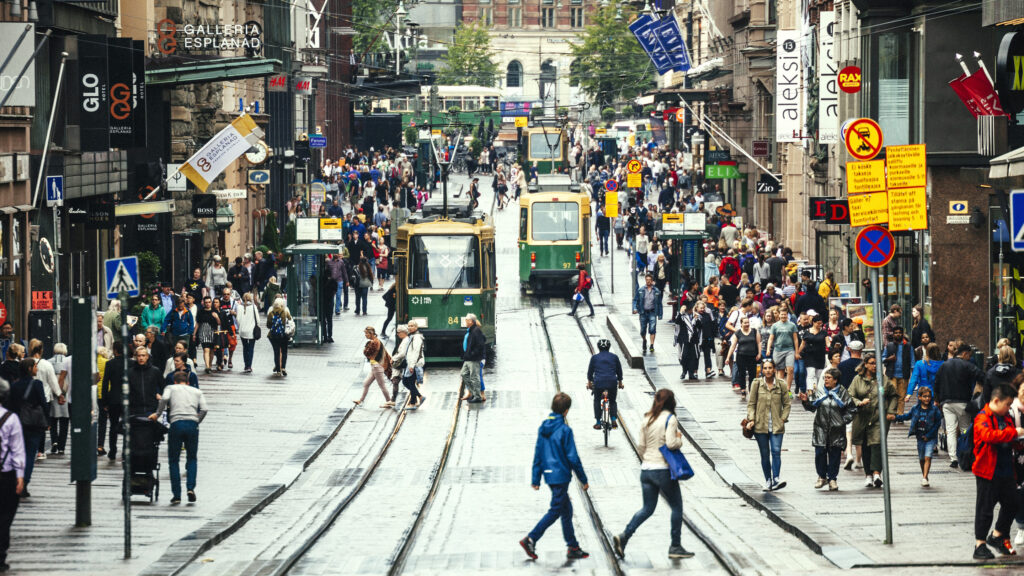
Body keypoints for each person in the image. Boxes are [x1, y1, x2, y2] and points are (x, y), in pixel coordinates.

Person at [612, 388, 693, 560]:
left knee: (647, 508)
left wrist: (647, 459)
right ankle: (675, 546)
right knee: (677, 506)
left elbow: (641, 446)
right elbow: (671, 444)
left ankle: (625, 536)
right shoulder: (670, 419)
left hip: (646, 470)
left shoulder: (647, 418)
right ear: (671, 402)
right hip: (662, 470)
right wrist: (679, 439)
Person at [520, 392, 590, 561]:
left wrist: (536, 478)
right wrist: (583, 479)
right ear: (566, 411)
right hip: (561, 476)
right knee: (555, 511)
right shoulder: (565, 430)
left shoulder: (543, 427)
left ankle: (573, 546)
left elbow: (538, 453)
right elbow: (573, 457)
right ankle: (530, 539)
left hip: (549, 476)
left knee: (566, 510)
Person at [971, 383, 1024, 559]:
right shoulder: (982, 417)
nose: (1009, 408)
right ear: (996, 400)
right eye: (1008, 404)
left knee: (1013, 503)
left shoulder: (1005, 417)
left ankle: (997, 535)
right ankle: (980, 545)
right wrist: (1014, 433)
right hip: (987, 471)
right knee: (985, 508)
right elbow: (988, 436)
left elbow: (1009, 437)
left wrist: (1018, 439)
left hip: (1006, 471)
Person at [149, 371, 208, 505]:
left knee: (174, 460)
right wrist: (196, 421)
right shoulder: (196, 391)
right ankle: (190, 488)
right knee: (192, 457)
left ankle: (176, 494)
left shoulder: (171, 388)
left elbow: (163, 399)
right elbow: (204, 409)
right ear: (187, 382)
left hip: (176, 423)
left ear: (175, 381)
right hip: (192, 424)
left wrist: (157, 414)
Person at [798, 368, 855, 491]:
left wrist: (843, 421)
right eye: (825, 378)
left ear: (835, 380)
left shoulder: (843, 392)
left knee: (835, 454)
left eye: (829, 378)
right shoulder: (819, 391)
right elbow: (812, 407)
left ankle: (833, 478)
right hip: (821, 428)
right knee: (820, 453)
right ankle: (822, 476)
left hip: (836, 430)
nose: (826, 380)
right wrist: (805, 401)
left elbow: (851, 409)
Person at [849, 354, 899, 488]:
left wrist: (890, 411)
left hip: (879, 416)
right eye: (871, 363)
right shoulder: (857, 379)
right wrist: (859, 402)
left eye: (876, 363)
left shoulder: (883, 379)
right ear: (865, 364)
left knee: (877, 443)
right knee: (865, 446)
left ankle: (877, 473)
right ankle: (868, 475)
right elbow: (850, 395)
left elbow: (894, 395)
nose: (874, 366)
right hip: (862, 417)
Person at [934, 343, 986, 469]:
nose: (969, 358)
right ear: (965, 354)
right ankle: (965, 455)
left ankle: (953, 458)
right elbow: (981, 376)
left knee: (950, 430)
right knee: (964, 430)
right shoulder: (967, 365)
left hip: (947, 403)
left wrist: (937, 399)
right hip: (962, 403)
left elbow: (936, 382)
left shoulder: (944, 365)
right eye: (969, 355)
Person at [746, 359, 791, 491]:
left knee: (776, 452)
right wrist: (751, 419)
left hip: (777, 425)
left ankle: (776, 478)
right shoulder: (756, 384)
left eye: (770, 368)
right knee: (765, 455)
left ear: (774, 369)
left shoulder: (781, 384)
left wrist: (783, 418)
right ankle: (768, 480)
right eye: (765, 368)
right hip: (760, 425)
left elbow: (787, 404)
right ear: (762, 370)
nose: (768, 371)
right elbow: (751, 404)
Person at [7, 359, 45, 495]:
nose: (37, 369)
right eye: (35, 366)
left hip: (17, 424)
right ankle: (24, 484)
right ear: (29, 368)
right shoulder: (37, 384)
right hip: (34, 424)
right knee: (29, 455)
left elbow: (9, 405)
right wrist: (47, 422)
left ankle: (16, 481)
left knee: (16, 453)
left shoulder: (14, 386)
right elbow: (43, 403)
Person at [893, 387, 943, 487]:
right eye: (924, 396)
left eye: (929, 396)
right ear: (919, 397)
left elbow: (937, 423)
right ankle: (924, 474)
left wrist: (929, 435)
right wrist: (895, 417)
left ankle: (925, 477)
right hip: (920, 437)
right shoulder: (915, 408)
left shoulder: (934, 410)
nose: (927, 399)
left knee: (928, 456)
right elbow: (907, 416)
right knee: (921, 459)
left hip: (930, 437)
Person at [0, 377, 25, 572]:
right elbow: (17, 450)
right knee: (6, 515)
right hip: (6, 474)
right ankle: (1, 553)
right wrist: (20, 476)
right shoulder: (11, 419)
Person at [587, 339, 624, 429]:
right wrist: (620, 383)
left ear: (598, 347)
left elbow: (590, 372)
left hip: (598, 382)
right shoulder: (614, 357)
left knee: (596, 400)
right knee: (612, 401)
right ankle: (614, 419)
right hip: (612, 382)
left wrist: (589, 383)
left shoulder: (594, 358)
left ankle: (598, 422)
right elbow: (619, 371)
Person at [355, 327, 393, 408]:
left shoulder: (374, 342)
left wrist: (366, 348)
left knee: (382, 385)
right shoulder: (375, 341)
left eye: (367, 333)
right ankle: (360, 400)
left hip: (377, 366)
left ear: (371, 333)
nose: (365, 335)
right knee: (366, 383)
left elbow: (366, 353)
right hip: (374, 366)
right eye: (365, 333)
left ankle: (389, 401)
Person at [726, 316, 761, 399]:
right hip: (741, 356)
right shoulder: (737, 333)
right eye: (745, 323)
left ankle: (751, 390)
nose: (747, 324)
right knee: (741, 374)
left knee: (752, 374)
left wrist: (759, 353)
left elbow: (759, 343)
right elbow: (733, 346)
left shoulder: (754, 331)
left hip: (752, 356)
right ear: (741, 324)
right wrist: (728, 357)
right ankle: (743, 389)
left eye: (748, 322)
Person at [392, 322, 425, 409]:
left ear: (416, 327)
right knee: (407, 382)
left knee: (409, 382)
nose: (410, 327)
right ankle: (418, 398)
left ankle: (414, 402)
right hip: (410, 363)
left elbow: (416, 352)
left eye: (412, 326)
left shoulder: (417, 338)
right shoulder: (412, 336)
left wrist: (412, 365)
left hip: (414, 364)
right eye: (409, 326)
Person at [766, 305, 799, 390]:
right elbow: (771, 338)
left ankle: (788, 389)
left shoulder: (792, 325)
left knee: (790, 369)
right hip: (778, 350)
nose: (783, 316)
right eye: (782, 314)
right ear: (779, 315)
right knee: (780, 371)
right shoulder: (775, 326)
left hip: (789, 350)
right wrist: (768, 349)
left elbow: (795, 339)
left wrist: (797, 352)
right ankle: (780, 389)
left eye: (785, 314)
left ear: (787, 315)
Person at [882, 326, 914, 414]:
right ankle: (892, 413)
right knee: (892, 395)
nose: (898, 334)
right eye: (896, 333)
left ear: (902, 334)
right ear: (893, 334)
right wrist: (889, 359)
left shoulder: (908, 346)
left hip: (904, 375)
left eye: (900, 332)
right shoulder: (889, 346)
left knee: (901, 396)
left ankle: (900, 415)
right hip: (891, 375)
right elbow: (882, 358)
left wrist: (913, 374)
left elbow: (912, 361)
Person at [47, 344, 71, 456]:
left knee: (53, 420)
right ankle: (61, 447)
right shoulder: (68, 361)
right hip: (66, 393)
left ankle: (54, 442)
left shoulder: (48, 362)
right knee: (64, 422)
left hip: (53, 392)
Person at [633, 274, 663, 354]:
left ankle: (652, 345)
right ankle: (644, 340)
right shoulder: (641, 290)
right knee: (643, 330)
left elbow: (659, 303)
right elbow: (635, 300)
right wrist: (635, 308)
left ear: (652, 280)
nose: (648, 281)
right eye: (647, 279)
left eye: (650, 279)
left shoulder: (656, 291)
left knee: (652, 329)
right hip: (643, 312)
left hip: (652, 312)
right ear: (645, 280)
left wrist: (660, 314)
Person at [461, 314, 487, 404]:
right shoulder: (471, 330)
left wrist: (472, 354)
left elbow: (480, 345)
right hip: (468, 358)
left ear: (471, 321)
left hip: (473, 358)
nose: (465, 321)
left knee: (474, 377)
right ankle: (473, 392)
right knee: (464, 374)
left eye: (466, 320)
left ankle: (477, 396)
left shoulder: (476, 331)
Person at [193, 297, 221, 374]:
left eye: (209, 302)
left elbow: (219, 323)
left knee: (212, 350)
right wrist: (194, 334)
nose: (208, 304)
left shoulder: (214, 311)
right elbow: (197, 323)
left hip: (212, 332)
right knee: (206, 349)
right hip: (203, 331)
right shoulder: (201, 312)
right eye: (206, 302)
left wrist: (217, 317)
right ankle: (207, 366)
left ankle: (210, 365)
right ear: (204, 303)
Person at [266, 300, 292, 376]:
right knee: (284, 351)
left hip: (273, 336)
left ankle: (278, 370)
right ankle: (283, 367)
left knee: (276, 352)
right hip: (283, 335)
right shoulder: (285, 312)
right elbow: (290, 320)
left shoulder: (271, 313)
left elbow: (268, 325)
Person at [235, 293, 259, 373]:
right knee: (251, 348)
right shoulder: (253, 307)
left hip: (242, 331)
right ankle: (249, 366)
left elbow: (238, 319)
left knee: (245, 348)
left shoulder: (239, 307)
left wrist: (241, 326)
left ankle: (246, 365)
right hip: (251, 331)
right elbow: (258, 320)